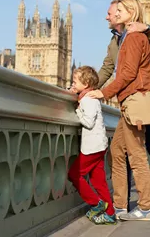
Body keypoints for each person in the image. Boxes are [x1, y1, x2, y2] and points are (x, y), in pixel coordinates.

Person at [88, 0, 150, 221]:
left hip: (136, 99)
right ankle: (120, 204)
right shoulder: (121, 39)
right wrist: (90, 86)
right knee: (117, 151)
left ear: (131, 13)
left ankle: (145, 207)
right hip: (128, 101)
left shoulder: (134, 38)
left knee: (137, 156)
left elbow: (128, 74)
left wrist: (103, 93)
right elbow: (108, 68)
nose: (110, 15)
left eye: (118, 10)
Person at [68, 66, 116, 225]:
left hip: (92, 147)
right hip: (99, 145)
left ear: (86, 84)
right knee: (99, 181)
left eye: (75, 81)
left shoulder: (88, 100)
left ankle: (96, 203)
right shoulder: (88, 98)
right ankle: (110, 213)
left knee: (74, 175)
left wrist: (77, 111)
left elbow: (88, 122)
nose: (72, 83)